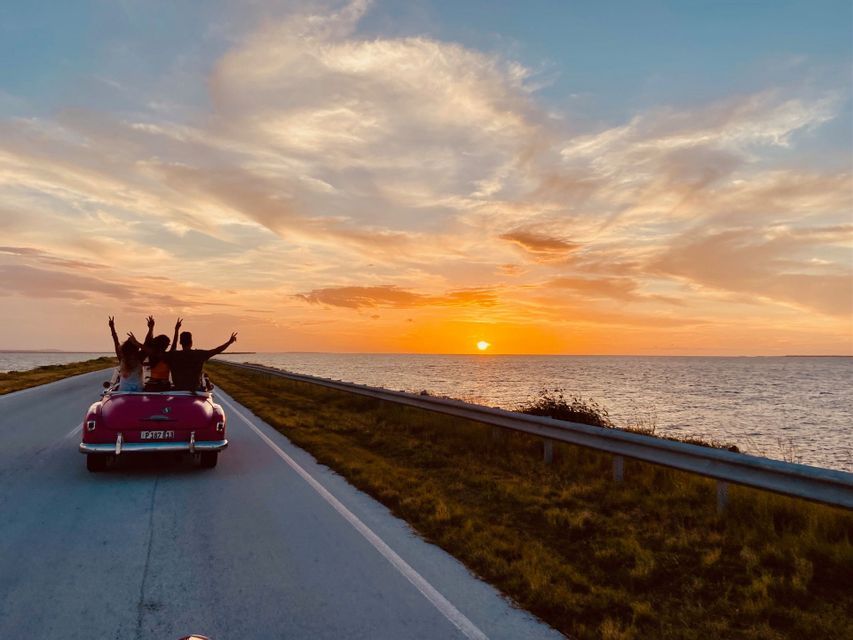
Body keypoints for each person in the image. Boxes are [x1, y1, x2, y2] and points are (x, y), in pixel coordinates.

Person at [165, 324, 238, 392]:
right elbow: (217, 350)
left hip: (178, 390)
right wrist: (229, 342)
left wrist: (176, 330)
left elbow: (172, 348)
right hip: (195, 390)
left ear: (180, 343)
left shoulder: (173, 355)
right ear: (191, 342)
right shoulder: (199, 354)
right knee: (207, 387)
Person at [140, 316, 181, 391]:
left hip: (151, 387)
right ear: (165, 345)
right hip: (164, 387)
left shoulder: (152, 354)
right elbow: (174, 344)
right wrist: (176, 330)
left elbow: (146, 343)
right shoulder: (167, 356)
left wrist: (151, 328)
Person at [108, 316, 144, 392]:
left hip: (124, 391)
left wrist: (112, 327)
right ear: (136, 348)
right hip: (138, 392)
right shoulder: (139, 358)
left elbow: (116, 341)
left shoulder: (122, 358)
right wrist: (151, 329)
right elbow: (147, 344)